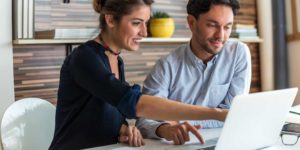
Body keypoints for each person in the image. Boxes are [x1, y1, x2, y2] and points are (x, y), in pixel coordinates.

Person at [49, 0, 229, 149]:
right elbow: (137, 104)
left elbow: (104, 110)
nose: (144, 32)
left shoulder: (115, 59)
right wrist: (216, 113)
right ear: (111, 20)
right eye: (136, 23)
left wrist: (123, 129)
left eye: (146, 23)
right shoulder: (84, 58)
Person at [137, 0, 252, 145]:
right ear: (191, 22)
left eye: (227, 27)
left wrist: (177, 120)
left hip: (224, 142)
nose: (221, 36)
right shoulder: (166, 66)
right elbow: (144, 118)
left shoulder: (238, 53)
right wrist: (165, 128)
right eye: (212, 25)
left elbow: (232, 114)